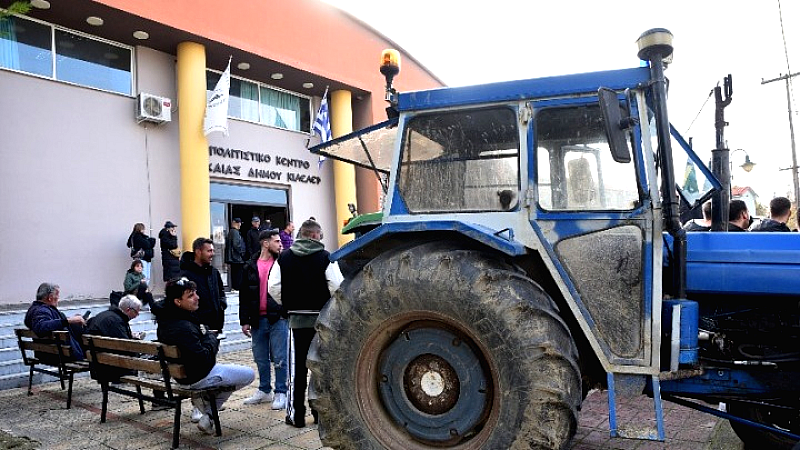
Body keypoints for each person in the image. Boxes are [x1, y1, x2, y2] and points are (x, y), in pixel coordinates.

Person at [152, 278, 254, 434]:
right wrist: (211, 339)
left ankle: (206, 406)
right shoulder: (183, 326)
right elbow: (205, 359)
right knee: (248, 374)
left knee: (227, 377)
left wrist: (204, 334)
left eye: (196, 293)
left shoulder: (166, 321)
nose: (197, 297)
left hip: (180, 376)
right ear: (178, 301)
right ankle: (209, 413)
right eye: (191, 295)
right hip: (196, 377)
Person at [269, 219, 343, 428]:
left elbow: (273, 286)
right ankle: (320, 415)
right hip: (321, 322)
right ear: (314, 235)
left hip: (297, 322)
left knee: (297, 372)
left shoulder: (284, 257)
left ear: (301, 234)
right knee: (321, 368)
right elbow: (337, 286)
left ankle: (296, 416)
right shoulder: (326, 257)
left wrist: (289, 304)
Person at [240, 229, 288, 409]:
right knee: (260, 357)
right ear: (265, 243)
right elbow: (244, 295)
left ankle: (281, 392)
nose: (280, 244)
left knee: (280, 357)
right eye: (276, 241)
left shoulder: (283, 263)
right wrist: (244, 320)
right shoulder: (250, 265)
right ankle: (264, 390)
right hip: (257, 319)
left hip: (278, 318)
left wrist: (285, 311)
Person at [85, 295, 142, 382]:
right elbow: (127, 348)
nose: (137, 315)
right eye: (136, 312)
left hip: (97, 365)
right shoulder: (116, 321)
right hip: (111, 369)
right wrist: (136, 340)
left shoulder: (103, 315)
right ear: (128, 310)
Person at [24, 282, 86, 362]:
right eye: (57, 295)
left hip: (49, 353)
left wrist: (72, 320)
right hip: (59, 356)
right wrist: (68, 320)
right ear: (50, 298)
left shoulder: (34, 309)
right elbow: (40, 327)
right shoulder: (41, 310)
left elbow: (50, 321)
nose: (58, 298)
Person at [180, 238, 227, 332]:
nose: (213, 254)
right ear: (198, 252)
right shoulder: (185, 275)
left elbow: (221, 291)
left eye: (213, 250)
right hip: (196, 327)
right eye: (209, 251)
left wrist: (222, 304)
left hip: (215, 325)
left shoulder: (214, 272)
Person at [225, 218, 246, 293]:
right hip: (236, 258)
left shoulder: (232, 231)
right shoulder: (235, 232)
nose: (240, 224)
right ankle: (236, 288)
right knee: (238, 273)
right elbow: (236, 244)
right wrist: (242, 253)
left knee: (235, 273)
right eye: (238, 223)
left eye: (240, 223)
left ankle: (234, 287)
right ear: (234, 223)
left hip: (234, 257)